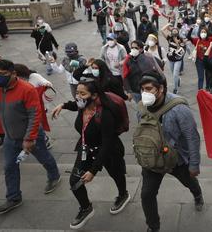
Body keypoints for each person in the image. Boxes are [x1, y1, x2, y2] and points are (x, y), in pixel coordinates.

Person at [0, 58, 60, 214]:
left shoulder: (26, 89)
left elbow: (34, 115)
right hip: (10, 137)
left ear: (13, 73)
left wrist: (29, 139)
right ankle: (14, 197)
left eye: (2, 74)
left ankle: (54, 176)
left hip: (31, 136)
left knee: (44, 157)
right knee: (9, 166)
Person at [51, 79, 130, 229]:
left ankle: (123, 194)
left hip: (109, 151)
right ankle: (86, 207)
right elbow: (76, 105)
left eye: (82, 93)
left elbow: (107, 144)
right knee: (75, 181)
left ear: (94, 96)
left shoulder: (106, 114)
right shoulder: (83, 104)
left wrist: (93, 170)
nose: (78, 96)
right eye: (77, 92)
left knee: (117, 174)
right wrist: (63, 105)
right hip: (86, 148)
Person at [137, 71, 203, 232]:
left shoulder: (179, 109)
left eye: (148, 89)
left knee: (189, 182)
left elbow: (192, 137)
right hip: (153, 160)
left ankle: (197, 194)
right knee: (146, 194)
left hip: (176, 160)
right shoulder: (141, 107)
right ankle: (153, 226)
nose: (144, 93)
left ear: (161, 89)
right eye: (142, 89)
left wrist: (194, 164)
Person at [162, 24, 186, 94]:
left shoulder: (181, 39)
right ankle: (178, 79)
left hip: (178, 59)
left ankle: (175, 89)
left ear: (178, 32)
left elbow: (180, 49)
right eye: (173, 30)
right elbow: (162, 30)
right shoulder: (169, 38)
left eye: (176, 30)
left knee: (175, 74)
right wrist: (168, 25)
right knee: (174, 74)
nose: (174, 31)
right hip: (170, 59)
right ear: (171, 32)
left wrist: (176, 42)